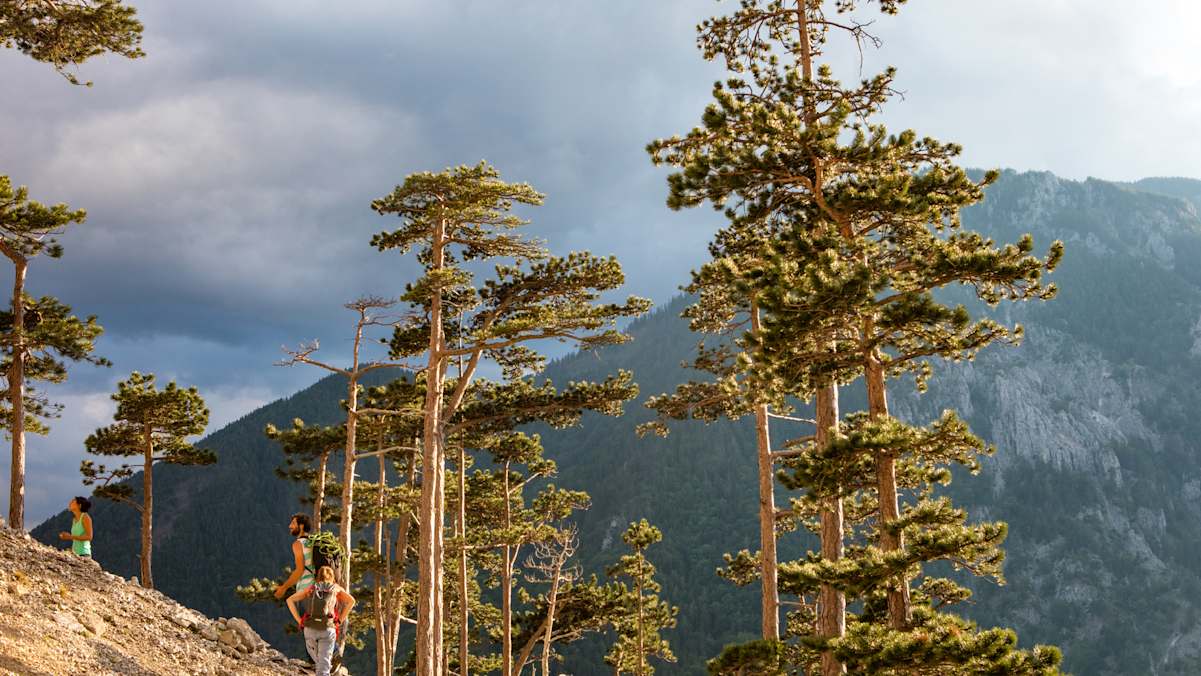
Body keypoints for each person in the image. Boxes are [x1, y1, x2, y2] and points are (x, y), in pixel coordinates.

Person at [287, 565, 354, 676]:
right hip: (327, 629)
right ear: (332, 577)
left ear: (318, 577)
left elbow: (290, 600)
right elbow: (351, 601)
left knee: (319, 662)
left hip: (309, 629)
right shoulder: (336, 588)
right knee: (323, 665)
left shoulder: (312, 588)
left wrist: (299, 620)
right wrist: (340, 620)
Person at [274, 513, 314, 599]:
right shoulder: (314, 542)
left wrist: (283, 588)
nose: (290, 526)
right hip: (319, 587)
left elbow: (300, 570)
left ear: (301, 526)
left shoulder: (298, 544)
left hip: (306, 588)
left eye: (293, 523)